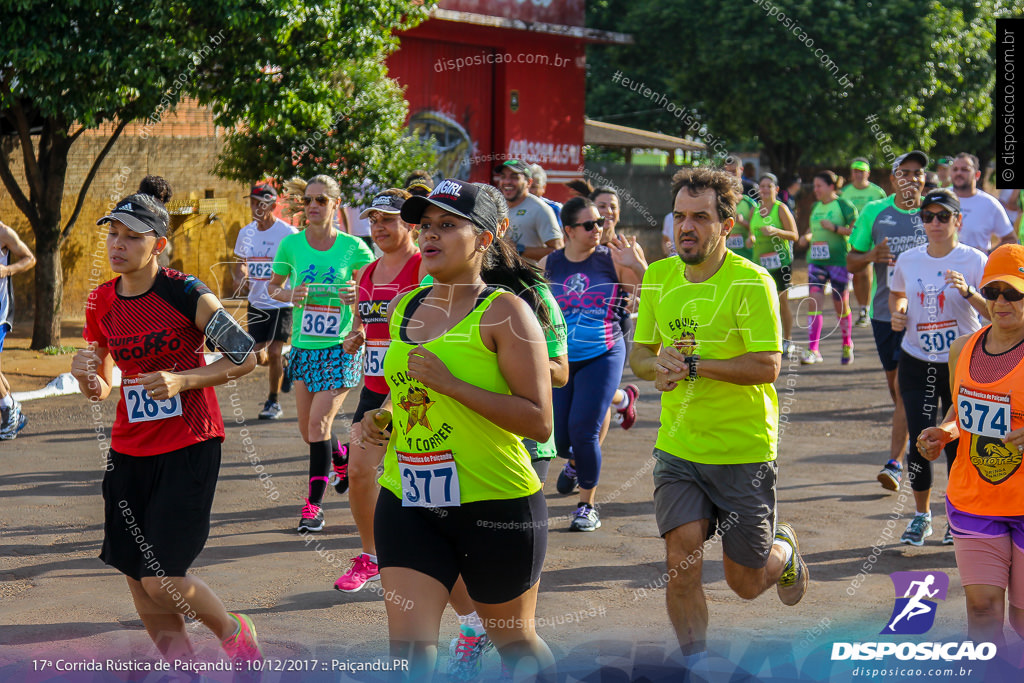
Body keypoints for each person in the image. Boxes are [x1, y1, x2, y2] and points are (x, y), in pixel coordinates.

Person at [359, 178, 555, 681]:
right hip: (409, 498)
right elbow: (402, 390)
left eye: (448, 225)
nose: (430, 236)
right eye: (425, 226)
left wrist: (452, 385)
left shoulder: (506, 312)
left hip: (495, 502)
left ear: (486, 237)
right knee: (408, 651)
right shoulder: (407, 305)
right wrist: (379, 418)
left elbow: (538, 419)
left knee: (514, 642)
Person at [70, 193, 261, 665]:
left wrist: (184, 379)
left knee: (161, 576)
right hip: (129, 450)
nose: (118, 244)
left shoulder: (187, 293)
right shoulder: (101, 300)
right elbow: (105, 386)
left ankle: (236, 634)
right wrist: (87, 377)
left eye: (132, 237)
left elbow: (247, 357)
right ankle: (182, 670)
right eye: (113, 233)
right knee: (136, 575)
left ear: (156, 244)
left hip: (189, 444)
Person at [630, 167, 807, 667]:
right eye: (681, 216)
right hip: (679, 447)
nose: (687, 227)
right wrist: (656, 369)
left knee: (745, 583)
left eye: (701, 217)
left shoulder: (751, 282)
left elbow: (767, 365)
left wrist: (691, 365)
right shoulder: (660, 276)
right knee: (680, 564)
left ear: (727, 225)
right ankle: (696, 664)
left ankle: (784, 551)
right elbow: (640, 352)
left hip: (742, 448)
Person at [917, 244, 1024, 648]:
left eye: (1014, 293)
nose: (1001, 301)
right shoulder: (963, 348)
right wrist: (943, 433)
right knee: (982, 610)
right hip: (974, 498)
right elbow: (961, 414)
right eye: (994, 290)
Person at [267, 174, 375, 532]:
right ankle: (340, 459)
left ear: (335, 204)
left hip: (340, 348)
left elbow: (375, 292)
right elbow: (273, 287)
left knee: (318, 424)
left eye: (322, 200)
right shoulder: (292, 246)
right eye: (309, 200)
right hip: (304, 347)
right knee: (308, 430)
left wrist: (358, 301)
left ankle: (313, 507)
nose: (313, 206)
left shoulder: (355, 248)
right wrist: (289, 295)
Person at [333, 189, 425, 593]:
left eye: (388, 219)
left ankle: (431, 558)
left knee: (418, 477)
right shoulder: (367, 272)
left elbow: (429, 332)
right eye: (373, 220)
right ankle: (371, 556)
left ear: (410, 224)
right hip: (373, 391)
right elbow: (363, 323)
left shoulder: (424, 267)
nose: (379, 227)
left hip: (415, 391)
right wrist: (355, 336)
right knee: (358, 471)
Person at [890, 188, 988, 546]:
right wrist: (899, 312)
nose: (934, 223)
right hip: (917, 361)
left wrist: (968, 293)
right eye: (928, 217)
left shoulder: (976, 260)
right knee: (921, 439)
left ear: (957, 221)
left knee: (957, 445)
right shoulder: (909, 259)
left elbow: (996, 314)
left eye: (942, 216)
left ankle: (956, 515)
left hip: (963, 364)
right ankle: (921, 516)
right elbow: (897, 292)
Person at [542, 197, 646, 532]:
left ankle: (586, 506)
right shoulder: (550, 264)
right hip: (564, 360)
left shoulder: (612, 259)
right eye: (589, 225)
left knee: (584, 432)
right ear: (569, 230)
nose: (598, 229)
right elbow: (535, 306)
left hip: (604, 353)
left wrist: (639, 267)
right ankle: (620, 403)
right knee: (561, 440)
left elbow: (653, 294)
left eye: (600, 222)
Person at [847, 150, 929, 492]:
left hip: (931, 317)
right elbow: (851, 261)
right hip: (887, 315)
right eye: (904, 173)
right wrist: (871, 256)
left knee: (906, 391)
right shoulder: (874, 212)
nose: (911, 178)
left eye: (918, 173)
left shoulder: (936, 212)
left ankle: (896, 462)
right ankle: (909, 439)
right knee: (899, 393)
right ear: (893, 179)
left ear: (924, 179)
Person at [233, 183, 298, 420]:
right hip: (257, 302)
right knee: (256, 356)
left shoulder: (288, 233)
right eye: (252, 202)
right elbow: (240, 262)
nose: (255, 207)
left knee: (274, 350)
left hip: (281, 303)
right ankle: (287, 364)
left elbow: (298, 264)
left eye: (260, 203)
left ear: (272, 205)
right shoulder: (245, 233)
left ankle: (273, 401)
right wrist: (240, 275)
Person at [797, 171, 858, 364]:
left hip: (839, 261)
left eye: (818, 186)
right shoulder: (815, 206)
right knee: (814, 302)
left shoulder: (843, 205)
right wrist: (806, 237)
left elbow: (856, 231)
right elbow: (812, 229)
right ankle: (813, 349)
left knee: (841, 305)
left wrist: (835, 228)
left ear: (831, 187)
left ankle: (847, 343)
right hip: (817, 261)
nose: (815, 190)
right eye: (814, 186)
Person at [750, 173, 799, 358]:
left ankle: (787, 339)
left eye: (768, 186)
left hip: (780, 262)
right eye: (761, 186)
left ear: (776, 189)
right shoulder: (755, 209)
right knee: (761, 302)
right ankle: (767, 340)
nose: (764, 190)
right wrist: (751, 238)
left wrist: (775, 231)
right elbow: (751, 232)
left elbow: (795, 235)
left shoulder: (781, 209)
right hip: (759, 263)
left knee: (782, 301)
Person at [840, 158, 887, 328]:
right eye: (855, 171)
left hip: (875, 236)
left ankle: (871, 308)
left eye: (861, 171)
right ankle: (863, 308)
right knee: (859, 273)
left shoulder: (877, 192)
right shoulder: (845, 192)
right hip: (854, 239)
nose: (858, 174)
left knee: (874, 273)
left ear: (868, 173)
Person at [0, 219, 36, 440]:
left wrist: (7, 270)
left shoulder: (3, 232)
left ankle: (9, 408)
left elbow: (30, 259)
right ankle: (10, 407)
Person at [494, 159, 562, 262]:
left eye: (514, 177)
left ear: (529, 182)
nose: (507, 182)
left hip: (528, 276)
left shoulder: (540, 209)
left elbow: (558, 251)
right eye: (503, 177)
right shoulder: (495, 207)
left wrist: (518, 249)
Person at [949, 153, 1016, 252]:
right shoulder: (940, 197)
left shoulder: (990, 204)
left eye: (964, 169)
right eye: (955, 169)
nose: (959, 173)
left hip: (975, 267)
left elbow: (1010, 239)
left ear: (977, 175)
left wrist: (989, 257)